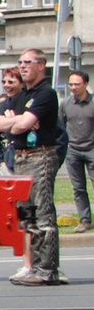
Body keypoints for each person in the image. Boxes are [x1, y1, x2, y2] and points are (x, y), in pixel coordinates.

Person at [0, 48, 65, 286]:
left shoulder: (45, 94)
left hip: (40, 157)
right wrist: (16, 122)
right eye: (20, 62)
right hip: (21, 158)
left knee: (43, 214)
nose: (22, 66)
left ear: (40, 66)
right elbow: (0, 124)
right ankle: (32, 265)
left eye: (27, 62)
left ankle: (48, 270)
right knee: (27, 215)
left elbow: (20, 124)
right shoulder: (22, 96)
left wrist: (17, 122)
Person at [62, 70, 94, 233]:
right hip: (73, 150)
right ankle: (85, 220)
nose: (73, 87)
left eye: (77, 84)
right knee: (78, 188)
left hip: (92, 149)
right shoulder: (66, 103)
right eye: (71, 84)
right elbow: (60, 126)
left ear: (86, 84)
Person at [0, 67, 23, 171]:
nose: (6, 85)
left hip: (32, 162)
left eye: (11, 82)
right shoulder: (0, 108)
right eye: (4, 81)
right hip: (8, 165)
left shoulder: (32, 105)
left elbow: (58, 136)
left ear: (22, 84)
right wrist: (1, 163)